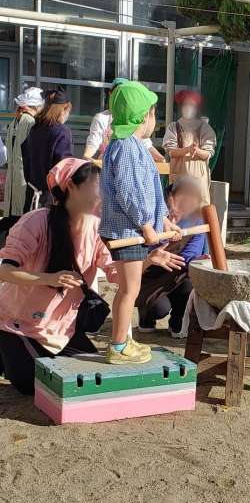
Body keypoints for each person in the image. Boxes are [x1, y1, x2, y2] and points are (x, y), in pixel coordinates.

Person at [0, 157, 185, 395]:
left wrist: (149, 260)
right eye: (97, 185)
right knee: (32, 384)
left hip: (60, 328)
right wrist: (49, 279)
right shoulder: (35, 221)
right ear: (71, 186)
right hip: (18, 324)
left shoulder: (98, 228)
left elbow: (116, 274)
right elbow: (4, 270)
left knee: (84, 380)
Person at [99, 81, 181, 365]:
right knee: (129, 290)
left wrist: (164, 222)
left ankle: (125, 339)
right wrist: (147, 225)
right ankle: (119, 346)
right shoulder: (126, 147)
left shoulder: (130, 145)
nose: (154, 120)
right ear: (144, 116)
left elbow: (149, 192)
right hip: (128, 229)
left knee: (128, 288)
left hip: (133, 226)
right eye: (153, 114)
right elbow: (131, 192)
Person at [136, 176, 209, 337]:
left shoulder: (197, 222)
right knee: (159, 309)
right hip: (151, 274)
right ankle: (146, 316)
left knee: (189, 282)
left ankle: (178, 321)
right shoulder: (149, 221)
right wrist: (151, 258)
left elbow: (190, 256)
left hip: (179, 272)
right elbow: (135, 259)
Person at [83, 77, 164, 165]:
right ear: (111, 95)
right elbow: (94, 141)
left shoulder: (134, 118)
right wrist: (87, 156)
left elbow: (146, 143)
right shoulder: (102, 118)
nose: (123, 100)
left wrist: (160, 158)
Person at [0, 88, 44, 241]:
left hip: (14, 178)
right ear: (36, 106)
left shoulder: (15, 121)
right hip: (25, 180)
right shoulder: (30, 122)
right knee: (21, 218)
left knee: (12, 216)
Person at [22, 86, 73, 212]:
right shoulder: (62, 131)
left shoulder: (35, 128)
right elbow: (63, 167)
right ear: (64, 109)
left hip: (31, 195)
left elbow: (26, 163)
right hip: (51, 199)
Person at [163, 90, 216, 205]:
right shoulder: (174, 127)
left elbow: (208, 153)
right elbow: (171, 151)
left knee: (200, 209)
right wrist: (187, 150)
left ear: (197, 108)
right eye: (185, 104)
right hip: (179, 179)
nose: (188, 107)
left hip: (199, 180)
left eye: (191, 105)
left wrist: (197, 151)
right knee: (178, 209)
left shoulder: (205, 127)